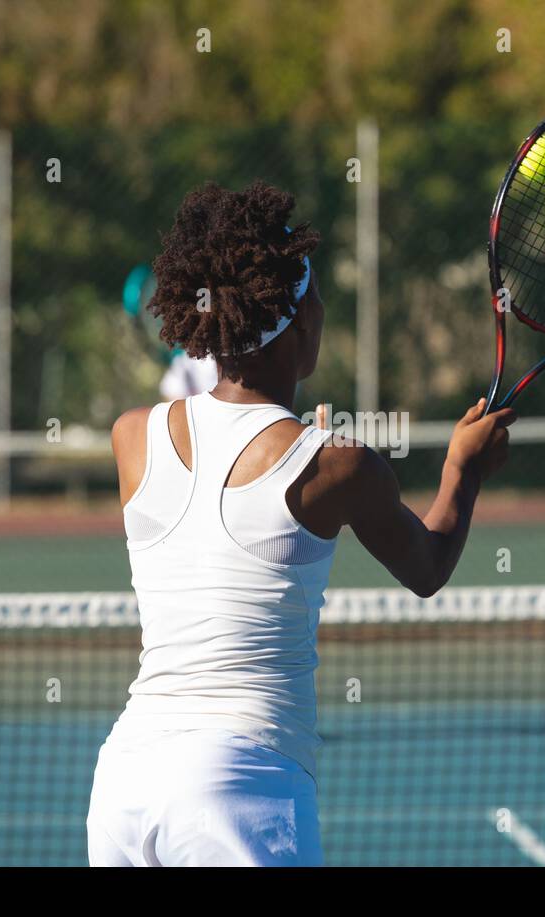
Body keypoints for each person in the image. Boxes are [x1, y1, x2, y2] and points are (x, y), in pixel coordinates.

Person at [87, 181, 515, 866]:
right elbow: (427, 566)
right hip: (240, 783)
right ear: (297, 323)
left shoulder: (130, 436)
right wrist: (463, 472)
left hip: (123, 784)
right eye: (316, 299)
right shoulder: (338, 466)